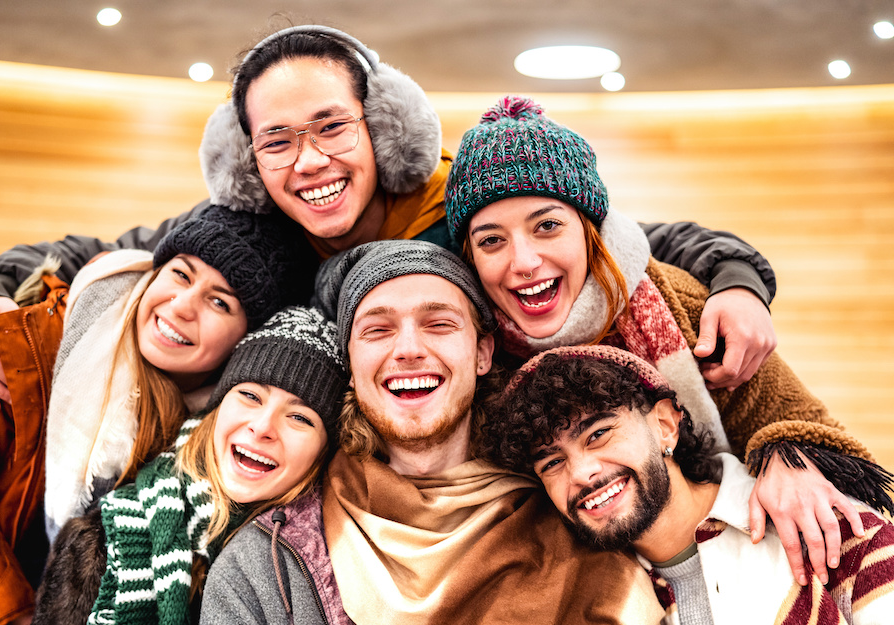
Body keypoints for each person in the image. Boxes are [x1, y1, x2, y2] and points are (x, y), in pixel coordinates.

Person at [0, 25, 777, 414]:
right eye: (277, 141)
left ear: (380, 127)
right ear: (246, 160)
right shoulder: (252, 225)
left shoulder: (462, 202)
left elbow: (641, 241)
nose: (308, 163)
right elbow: (101, 250)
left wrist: (738, 284)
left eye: (331, 129)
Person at [443, 94, 894, 586]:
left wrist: (788, 459)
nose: (524, 261)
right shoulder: (474, 351)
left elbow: (799, 419)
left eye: (548, 226)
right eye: (492, 240)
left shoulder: (676, 303)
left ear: (591, 231)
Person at [201, 240, 667, 625]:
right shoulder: (264, 569)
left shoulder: (579, 512)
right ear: (351, 364)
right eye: (377, 330)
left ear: (483, 353)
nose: (407, 349)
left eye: (439, 324)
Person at [0, 209, 311, 625]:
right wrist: (15, 614)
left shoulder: (217, 428)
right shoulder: (36, 345)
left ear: (245, 341)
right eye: (181, 274)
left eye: (219, 302)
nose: (182, 306)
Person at [480, 345, 894, 624]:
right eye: (553, 462)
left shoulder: (822, 526)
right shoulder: (584, 598)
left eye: (598, 435)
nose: (582, 473)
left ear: (665, 425)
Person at [31, 306, 348, 625]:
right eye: (251, 396)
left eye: (299, 417)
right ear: (217, 409)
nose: (262, 426)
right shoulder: (101, 538)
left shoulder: (325, 566)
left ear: (323, 452)